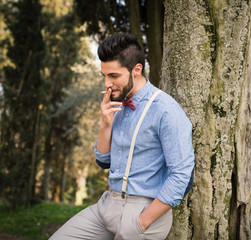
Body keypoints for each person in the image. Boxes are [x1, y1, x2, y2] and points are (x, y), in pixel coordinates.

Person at [50, 32, 195, 240]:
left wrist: (142, 221)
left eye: (114, 76)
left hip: (143, 214)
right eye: (105, 76)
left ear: (137, 70)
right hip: (107, 206)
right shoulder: (116, 103)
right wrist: (105, 124)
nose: (107, 84)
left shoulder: (166, 110)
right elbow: (103, 161)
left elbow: (182, 175)